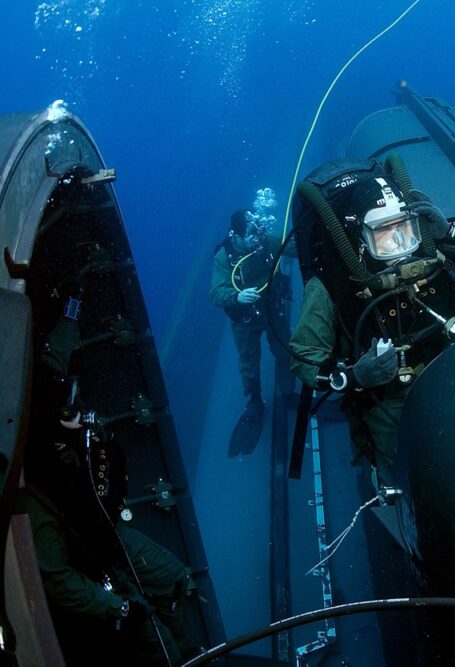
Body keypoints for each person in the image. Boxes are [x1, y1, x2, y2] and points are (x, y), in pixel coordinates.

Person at [18, 283, 198, 666]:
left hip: (109, 532)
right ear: (51, 425)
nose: (80, 416)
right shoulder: (36, 498)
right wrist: (115, 607)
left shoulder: (50, 399)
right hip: (93, 561)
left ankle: (196, 653)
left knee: (175, 578)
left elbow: (56, 354)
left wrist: (72, 305)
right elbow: (56, 577)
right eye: (69, 416)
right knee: (152, 637)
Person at [289, 161, 455, 473]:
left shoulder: (430, 250)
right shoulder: (330, 285)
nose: (401, 243)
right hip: (389, 397)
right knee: (404, 465)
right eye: (385, 233)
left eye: (404, 228)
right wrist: (355, 375)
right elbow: (304, 357)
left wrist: (448, 235)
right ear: (361, 237)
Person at [210, 189, 293, 456]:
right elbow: (216, 293)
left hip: (271, 307)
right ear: (236, 235)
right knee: (248, 360)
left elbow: (290, 246)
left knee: (283, 348)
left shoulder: (263, 239)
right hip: (245, 318)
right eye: (250, 236)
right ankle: (254, 401)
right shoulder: (225, 256)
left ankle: (286, 387)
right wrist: (237, 295)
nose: (255, 240)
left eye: (258, 233)